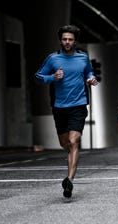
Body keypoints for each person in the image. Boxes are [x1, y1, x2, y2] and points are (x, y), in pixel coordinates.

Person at [34, 25, 98, 198]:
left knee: (74, 141)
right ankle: (70, 162)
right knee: (65, 143)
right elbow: (38, 77)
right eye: (64, 39)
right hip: (59, 107)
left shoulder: (83, 58)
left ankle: (69, 180)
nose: (67, 42)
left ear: (74, 40)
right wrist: (52, 77)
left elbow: (89, 72)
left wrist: (91, 79)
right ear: (60, 40)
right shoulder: (53, 59)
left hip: (78, 105)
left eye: (70, 39)